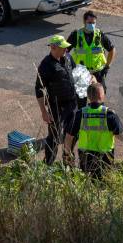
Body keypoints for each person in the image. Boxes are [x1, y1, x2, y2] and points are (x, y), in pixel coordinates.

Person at [64, 83, 123, 178]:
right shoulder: (109, 114)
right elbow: (122, 137)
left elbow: (68, 137)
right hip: (105, 156)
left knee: (87, 181)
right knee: (104, 181)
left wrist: (68, 154)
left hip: (85, 155)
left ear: (88, 97)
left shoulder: (80, 114)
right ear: (101, 95)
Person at [35, 35, 79, 165]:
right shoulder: (45, 65)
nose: (66, 49)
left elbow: (77, 73)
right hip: (56, 106)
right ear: (53, 47)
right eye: (63, 47)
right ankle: (48, 164)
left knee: (72, 134)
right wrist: (44, 111)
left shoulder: (68, 58)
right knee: (54, 137)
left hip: (72, 104)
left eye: (66, 47)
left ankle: (68, 162)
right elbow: (39, 89)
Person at [67, 10, 116, 102]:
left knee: (99, 100)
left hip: (98, 72)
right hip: (81, 73)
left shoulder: (100, 35)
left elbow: (112, 50)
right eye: (89, 23)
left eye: (94, 23)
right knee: (81, 100)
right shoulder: (76, 35)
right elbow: (65, 52)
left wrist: (107, 66)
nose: (92, 25)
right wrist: (69, 67)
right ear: (84, 22)